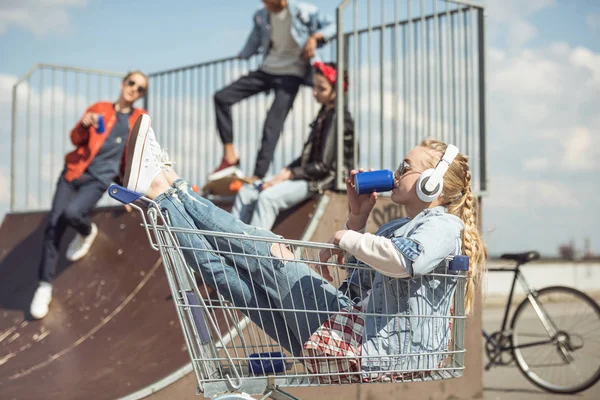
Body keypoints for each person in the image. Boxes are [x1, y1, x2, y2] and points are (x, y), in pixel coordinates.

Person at [122, 114, 486, 378]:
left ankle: (169, 187)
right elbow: (358, 290)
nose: (396, 172)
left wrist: (351, 238)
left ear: (432, 184)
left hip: (365, 345)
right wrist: (357, 220)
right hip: (354, 341)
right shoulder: (396, 227)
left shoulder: (443, 224)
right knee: (234, 283)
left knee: (268, 250)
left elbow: (407, 263)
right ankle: (162, 194)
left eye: (405, 167)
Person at [29, 71, 149, 320]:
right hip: (74, 172)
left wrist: (129, 193)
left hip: (99, 180)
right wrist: (84, 124)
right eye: (131, 83)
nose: (134, 89)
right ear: (122, 84)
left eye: (140, 89)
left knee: (73, 213)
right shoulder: (100, 108)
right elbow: (75, 139)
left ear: (141, 96)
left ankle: (87, 231)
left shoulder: (140, 119)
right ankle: (44, 286)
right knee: (54, 224)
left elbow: (135, 160)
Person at [210, 0, 336, 182]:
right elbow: (253, 40)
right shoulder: (261, 15)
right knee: (221, 97)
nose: (267, 5)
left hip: (292, 74)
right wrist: (243, 54)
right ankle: (230, 157)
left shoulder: (303, 11)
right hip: (267, 70)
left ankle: (258, 175)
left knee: (272, 124)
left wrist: (315, 38)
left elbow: (333, 24)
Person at [231, 61, 354, 230]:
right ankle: (230, 242)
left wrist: (289, 175)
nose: (314, 93)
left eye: (321, 89)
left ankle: (254, 254)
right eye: (314, 87)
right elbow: (307, 156)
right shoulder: (324, 113)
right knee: (247, 192)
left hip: (323, 180)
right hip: (308, 175)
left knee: (268, 198)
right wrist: (284, 173)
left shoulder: (338, 117)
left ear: (337, 90)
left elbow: (323, 166)